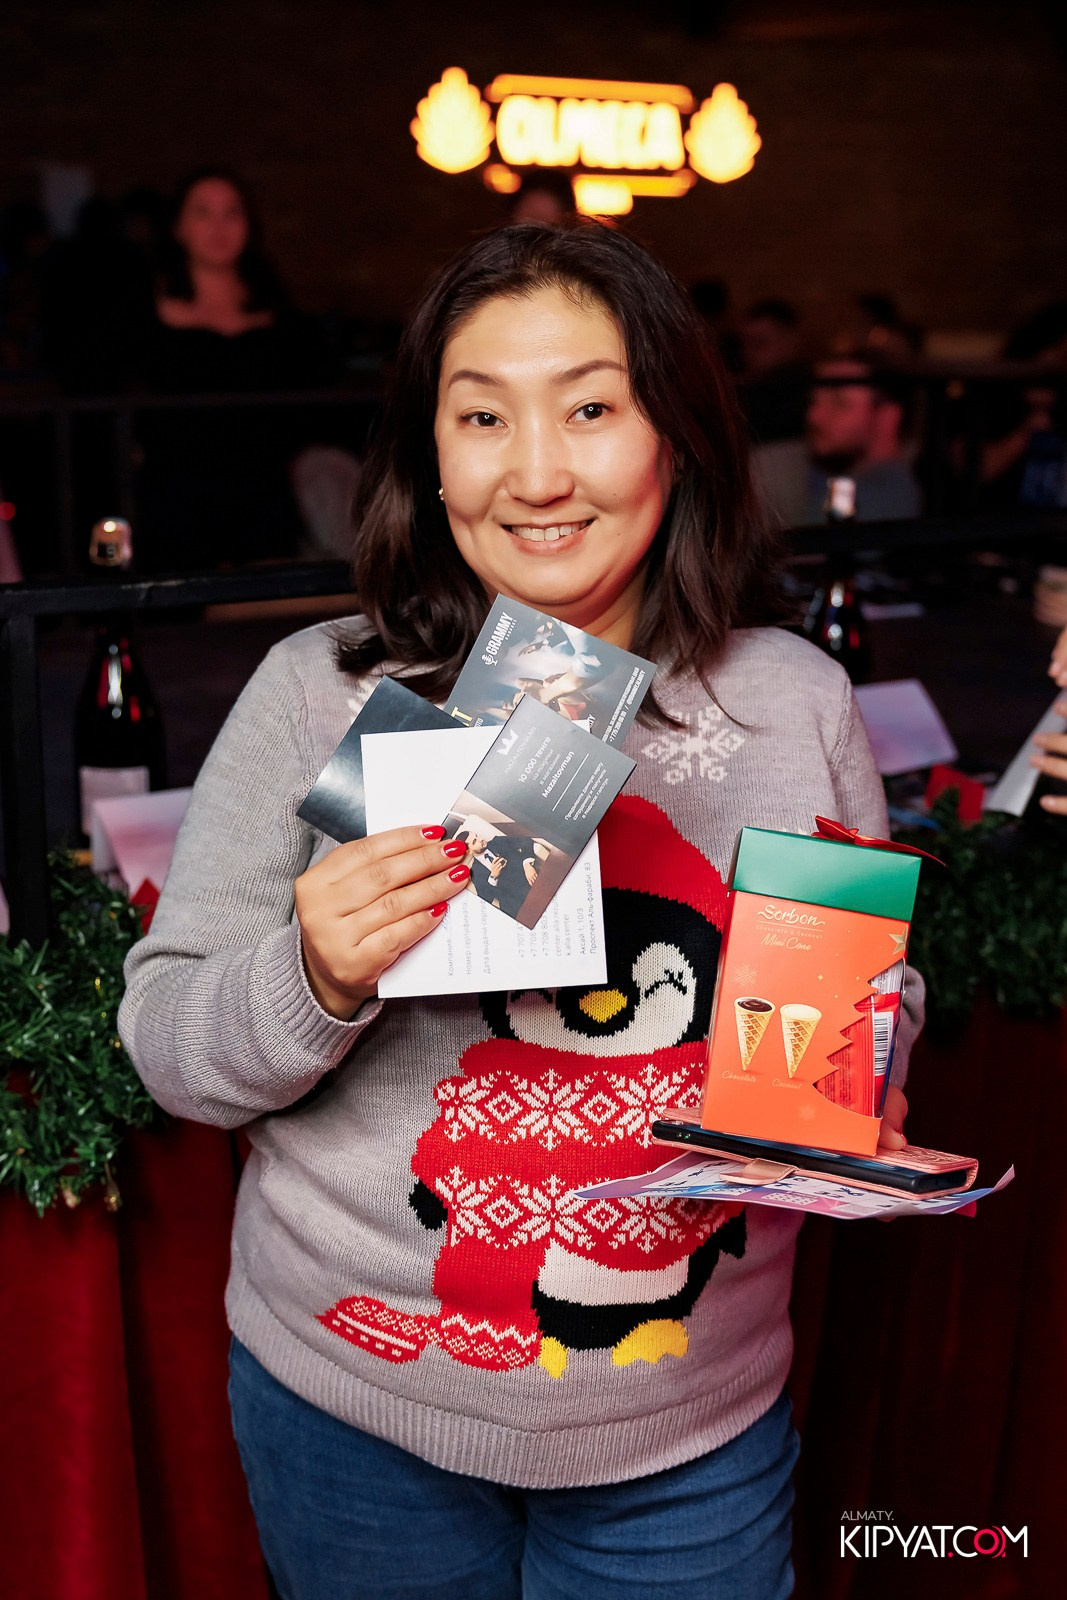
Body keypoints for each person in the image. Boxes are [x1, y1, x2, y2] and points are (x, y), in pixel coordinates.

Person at [119, 220, 920, 1600]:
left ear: (674, 436)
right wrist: (313, 972)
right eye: (482, 415)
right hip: (354, 1408)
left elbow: (868, 999)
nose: (536, 473)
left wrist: (857, 1070)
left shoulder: (790, 702)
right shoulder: (323, 691)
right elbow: (171, 1048)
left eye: (590, 409)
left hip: (686, 1422)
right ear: (428, 456)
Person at [134, 167, 330, 568]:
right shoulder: (143, 310)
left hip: (262, 492)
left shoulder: (276, 309)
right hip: (176, 498)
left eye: (232, 213)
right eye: (203, 213)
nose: (218, 227)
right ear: (178, 227)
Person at [753, 355, 923, 528]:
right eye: (813, 401)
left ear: (887, 418)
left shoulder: (889, 497)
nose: (813, 416)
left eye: (839, 403)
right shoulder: (775, 464)